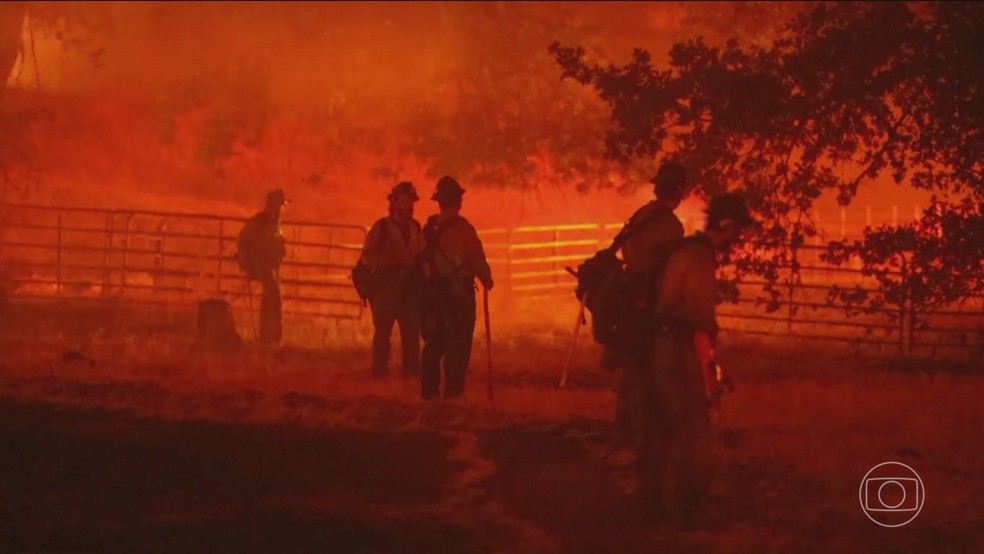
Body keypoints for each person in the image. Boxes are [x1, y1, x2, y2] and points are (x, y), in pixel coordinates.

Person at [635, 191, 755, 523]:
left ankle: (649, 502)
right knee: (693, 429)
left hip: (659, 349)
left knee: (661, 426)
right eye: (738, 232)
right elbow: (702, 318)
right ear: (727, 227)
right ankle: (690, 506)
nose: (738, 240)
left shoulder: (684, 250)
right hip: (678, 350)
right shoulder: (700, 258)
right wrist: (710, 369)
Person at [607, 161, 688, 446]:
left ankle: (624, 426)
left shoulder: (641, 215)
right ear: (678, 192)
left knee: (631, 366)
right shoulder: (671, 226)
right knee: (649, 368)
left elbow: (627, 250)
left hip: (628, 296)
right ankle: (643, 433)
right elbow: (672, 268)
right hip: (651, 302)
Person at [419, 175, 493, 400]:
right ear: (458, 201)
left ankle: (429, 393)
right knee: (458, 344)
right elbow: (476, 257)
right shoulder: (464, 230)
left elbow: (419, 257)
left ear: (439, 201)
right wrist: (486, 279)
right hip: (458, 294)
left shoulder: (428, 228)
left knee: (433, 343)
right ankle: (453, 393)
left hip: (432, 294)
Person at [359, 181, 425, 378]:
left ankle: (412, 375)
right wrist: (389, 263)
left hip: (410, 288)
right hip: (386, 288)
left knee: (412, 333)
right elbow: (367, 256)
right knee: (383, 333)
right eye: (405, 201)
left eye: (411, 202)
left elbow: (421, 254)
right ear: (394, 203)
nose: (409, 207)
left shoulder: (415, 227)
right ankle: (380, 374)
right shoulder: (381, 228)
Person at [236, 189, 289, 345]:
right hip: (261, 265)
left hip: (270, 266)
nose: (282, 208)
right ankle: (272, 337)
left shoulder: (274, 222)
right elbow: (243, 240)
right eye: (281, 204)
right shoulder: (259, 222)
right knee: (274, 298)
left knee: (269, 299)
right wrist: (246, 262)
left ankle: (268, 337)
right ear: (273, 204)